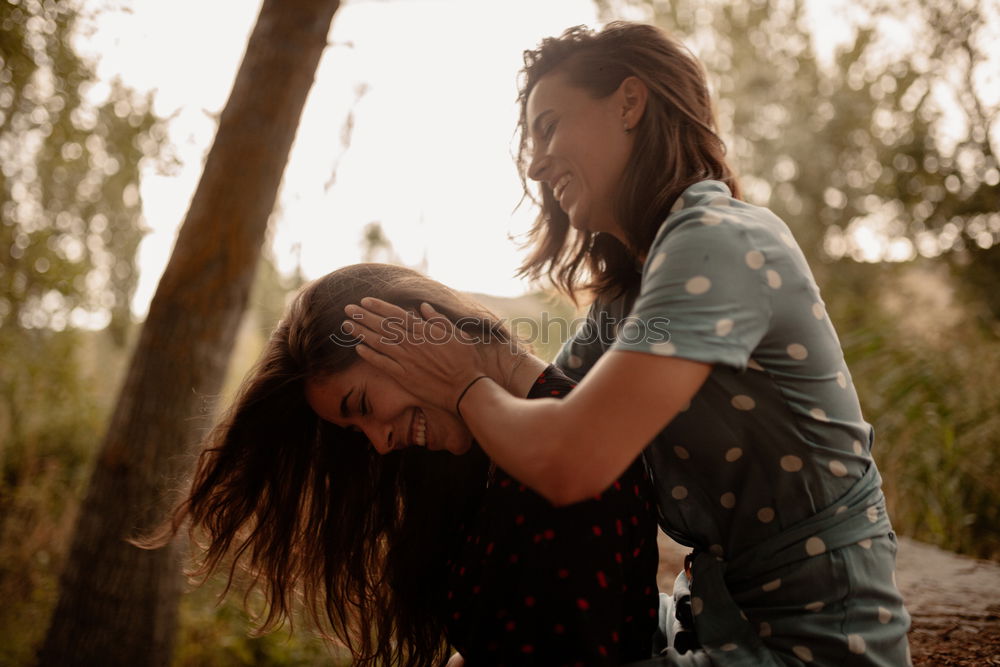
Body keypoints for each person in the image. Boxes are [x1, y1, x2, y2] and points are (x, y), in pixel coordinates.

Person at [343, 22, 912, 666]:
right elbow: (541, 402)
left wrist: (461, 385)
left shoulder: (719, 240)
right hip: (715, 623)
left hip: (814, 645)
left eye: (550, 126)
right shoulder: (633, 294)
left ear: (629, 103)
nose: (535, 164)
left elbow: (569, 459)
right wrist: (420, 366)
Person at [140, 262, 659, 667]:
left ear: (413, 335)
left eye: (362, 407)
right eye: (355, 432)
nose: (380, 444)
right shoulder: (481, 463)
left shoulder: (562, 459)